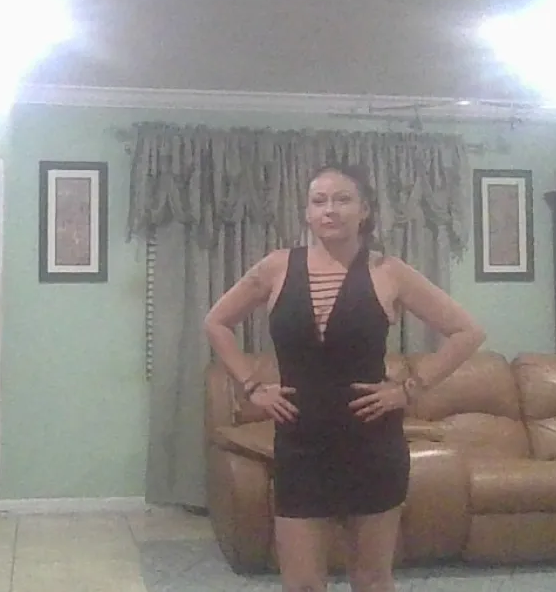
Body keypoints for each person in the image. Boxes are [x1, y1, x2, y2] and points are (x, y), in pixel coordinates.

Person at [203, 164, 486, 592]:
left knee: (371, 580)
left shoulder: (389, 271)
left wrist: (410, 388)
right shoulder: (276, 267)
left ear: (364, 210)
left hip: (371, 443)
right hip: (300, 443)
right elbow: (216, 322)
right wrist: (252, 386)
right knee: (301, 583)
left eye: (342, 199)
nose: (329, 210)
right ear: (307, 212)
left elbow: (468, 332)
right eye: (319, 201)